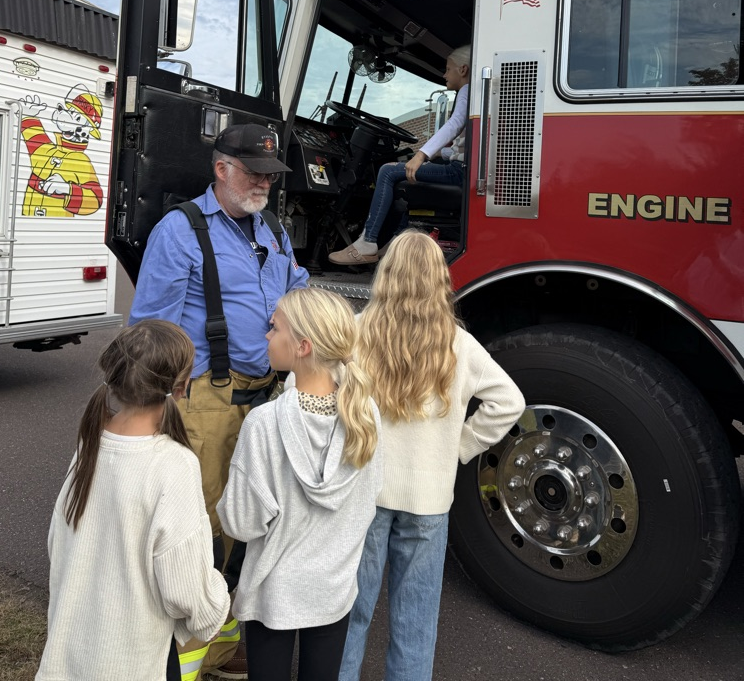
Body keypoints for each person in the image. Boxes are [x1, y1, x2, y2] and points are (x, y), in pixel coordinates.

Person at [129, 123, 309, 680]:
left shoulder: (274, 230)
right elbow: (150, 329)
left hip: (266, 401)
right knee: (198, 523)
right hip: (204, 397)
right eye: (253, 172)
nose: (263, 184)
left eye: (270, 176)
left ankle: (222, 641)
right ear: (221, 169)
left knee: (247, 519)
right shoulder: (180, 230)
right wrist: (146, 409)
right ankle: (180, 652)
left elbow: (297, 290)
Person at [339, 230, 526, 681]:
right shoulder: (459, 345)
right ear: (439, 279)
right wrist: (459, 447)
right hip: (430, 499)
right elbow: (510, 402)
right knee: (416, 617)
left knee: (351, 609)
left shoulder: (360, 331)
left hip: (367, 490)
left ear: (388, 275)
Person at [36, 320, 229, 681]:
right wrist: (211, 613)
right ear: (181, 387)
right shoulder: (174, 463)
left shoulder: (90, 445)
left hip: (69, 652)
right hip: (134, 660)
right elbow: (184, 580)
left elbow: (56, 543)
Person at [217, 287, 383, 681]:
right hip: (334, 589)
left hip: (273, 590)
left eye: (274, 328)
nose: (266, 336)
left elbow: (240, 523)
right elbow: (368, 501)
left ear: (303, 346)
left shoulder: (264, 423)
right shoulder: (365, 415)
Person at [328, 44, 471, 266]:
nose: (444, 74)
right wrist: (431, 154)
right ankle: (395, 244)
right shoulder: (478, 93)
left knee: (386, 171)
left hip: (458, 173)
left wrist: (422, 155)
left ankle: (367, 243)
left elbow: (455, 124)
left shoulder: (468, 90)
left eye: (448, 69)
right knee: (404, 179)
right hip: (462, 170)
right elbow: (459, 147)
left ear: (463, 70)